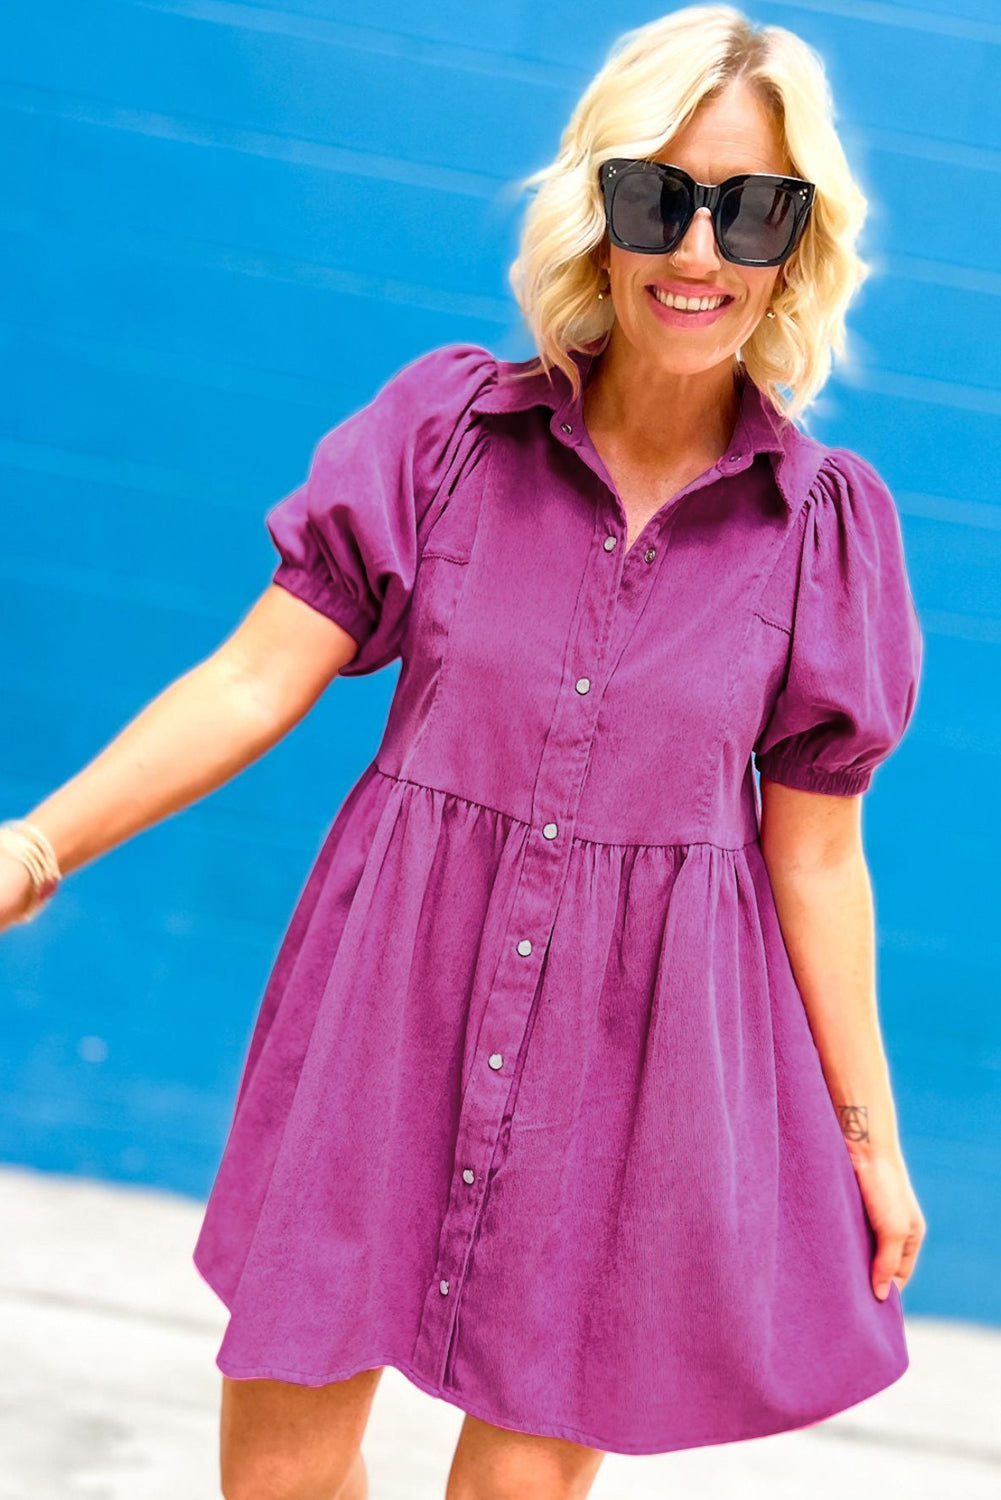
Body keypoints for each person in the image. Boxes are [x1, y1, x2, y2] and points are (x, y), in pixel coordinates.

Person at [1, 5, 929, 1497]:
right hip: (389, 1006)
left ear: (796, 240)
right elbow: (252, 679)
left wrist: (864, 1137)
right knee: (280, 1472)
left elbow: (815, 859)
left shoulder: (821, 529)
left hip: (636, 1063)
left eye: (748, 209)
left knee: (516, 1489)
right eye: (658, 196)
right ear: (599, 211)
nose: (696, 252)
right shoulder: (442, 436)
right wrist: (33, 844)